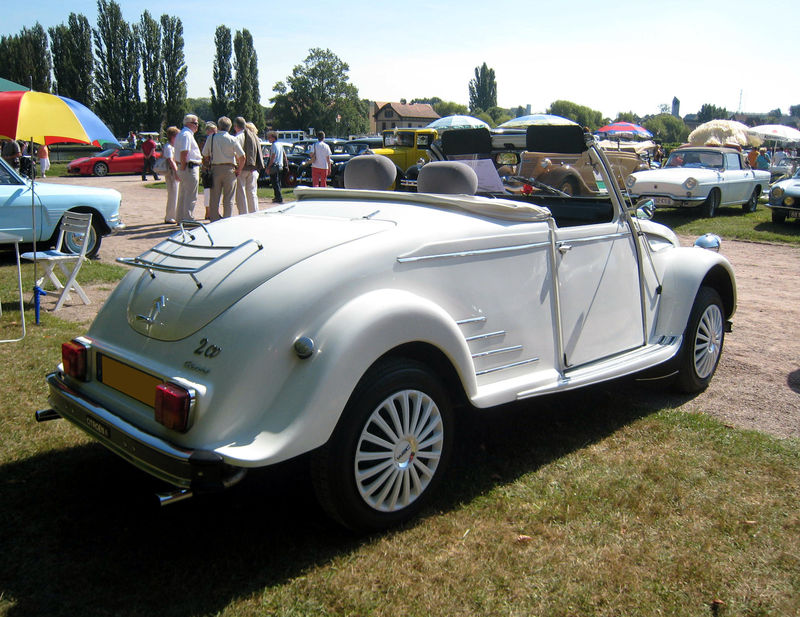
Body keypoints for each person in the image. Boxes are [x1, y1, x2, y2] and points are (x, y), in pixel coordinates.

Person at [202, 116, 245, 221]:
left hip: (215, 168)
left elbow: (205, 155)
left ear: (219, 126)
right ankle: (227, 219)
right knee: (229, 198)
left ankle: (214, 219)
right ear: (229, 127)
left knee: (214, 198)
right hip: (229, 169)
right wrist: (239, 169)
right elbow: (242, 156)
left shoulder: (211, 138)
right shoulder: (232, 139)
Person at [175, 114, 202, 222]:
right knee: (190, 195)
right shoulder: (186, 134)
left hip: (184, 167)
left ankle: (181, 218)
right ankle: (188, 219)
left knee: (183, 194)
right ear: (188, 123)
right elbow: (184, 152)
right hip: (189, 167)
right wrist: (183, 167)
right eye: (195, 123)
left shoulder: (182, 134)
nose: (197, 126)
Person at [233, 116, 263, 214]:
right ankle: (254, 213)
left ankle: (243, 214)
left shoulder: (239, 136)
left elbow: (236, 152)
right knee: (252, 193)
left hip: (242, 168)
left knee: (241, 193)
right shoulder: (255, 137)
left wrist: (238, 166)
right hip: (253, 168)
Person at [162, 126, 180, 224]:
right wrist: (176, 172)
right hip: (171, 173)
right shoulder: (168, 147)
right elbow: (170, 160)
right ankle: (169, 216)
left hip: (174, 172)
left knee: (175, 194)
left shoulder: (172, 146)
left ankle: (174, 215)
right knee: (173, 194)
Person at [266, 131, 286, 203]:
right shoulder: (280, 144)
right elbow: (284, 154)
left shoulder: (274, 145)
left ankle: (278, 197)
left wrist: (268, 167)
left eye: (269, 137)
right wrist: (285, 163)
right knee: (278, 181)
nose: (268, 139)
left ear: (273, 137)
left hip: (275, 165)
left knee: (274, 182)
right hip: (280, 165)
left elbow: (273, 157)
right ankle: (277, 196)